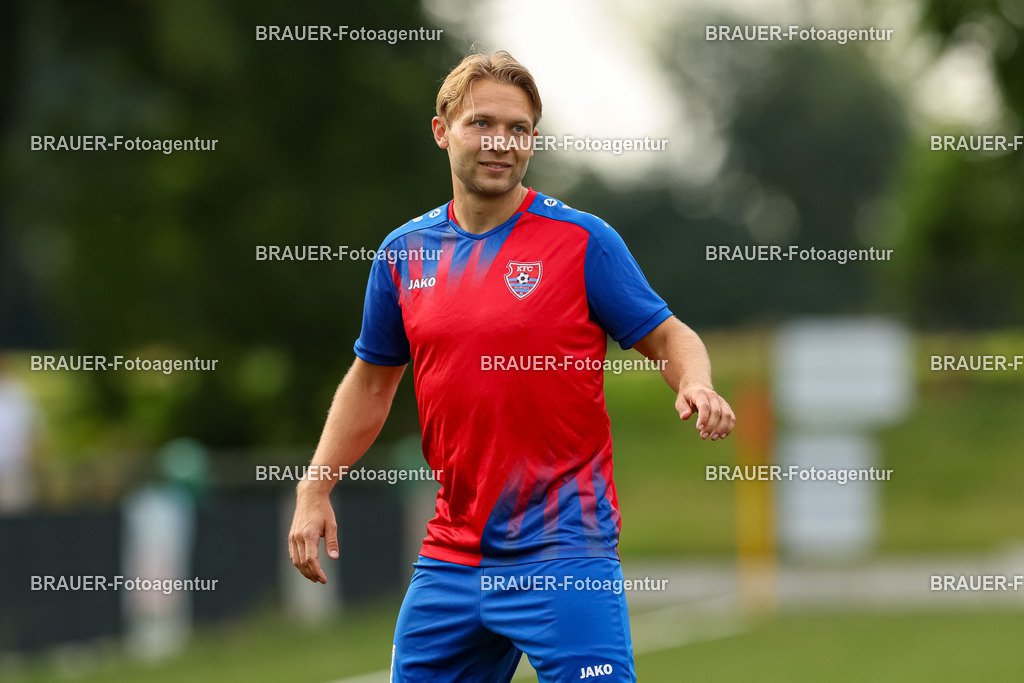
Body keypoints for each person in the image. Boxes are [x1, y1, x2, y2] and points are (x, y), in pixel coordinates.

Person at [289, 49, 735, 682]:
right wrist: (315, 486)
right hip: (452, 552)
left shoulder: (583, 242)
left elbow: (669, 336)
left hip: (564, 551)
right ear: (442, 131)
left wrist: (696, 381)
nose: (501, 142)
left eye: (519, 128)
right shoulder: (403, 254)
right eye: (482, 123)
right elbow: (371, 381)